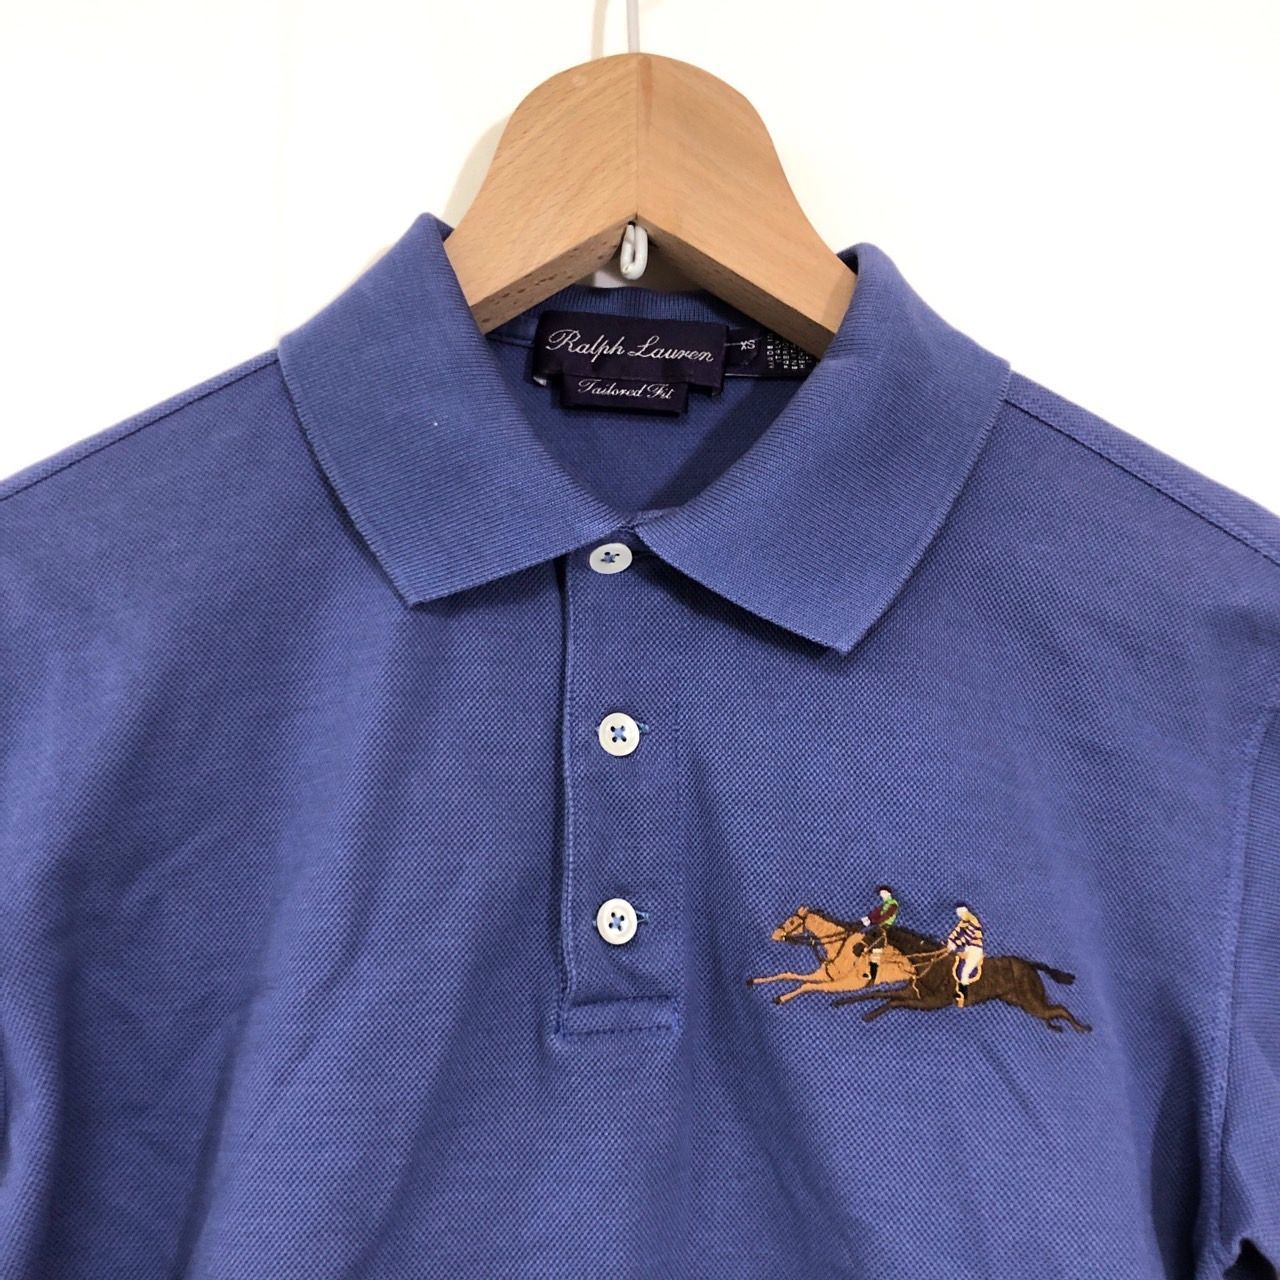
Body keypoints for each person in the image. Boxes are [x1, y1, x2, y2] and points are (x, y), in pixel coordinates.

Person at [859, 885, 899, 985]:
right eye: (881, 894)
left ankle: (873, 977)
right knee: (866, 946)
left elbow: (885, 916)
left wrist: (873, 921)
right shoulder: (884, 905)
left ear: (888, 893)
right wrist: (867, 918)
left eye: (884, 893)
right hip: (878, 928)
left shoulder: (893, 904)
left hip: (884, 928)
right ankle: (867, 972)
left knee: (876, 952)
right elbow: (875, 913)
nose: (882, 895)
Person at [946, 902, 984, 1006]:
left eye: (962, 915)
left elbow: (967, 937)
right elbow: (956, 931)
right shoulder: (964, 921)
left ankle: (963, 995)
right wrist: (950, 941)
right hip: (967, 949)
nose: (961, 917)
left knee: (965, 972)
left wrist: (955, 945)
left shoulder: (974, 922)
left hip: (975, 950)